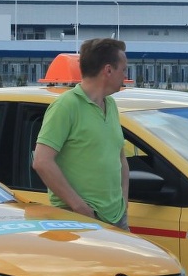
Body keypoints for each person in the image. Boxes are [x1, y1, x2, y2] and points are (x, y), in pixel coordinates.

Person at [32, 38, 131, 229]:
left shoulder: (110, 105)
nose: (125, 76)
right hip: (79, 221)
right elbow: (42, 162)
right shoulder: (66, 106)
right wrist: (80, 208)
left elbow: (120, 159)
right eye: (124, 69)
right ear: (108, 70)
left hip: (116, 218)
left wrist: (123, 203)